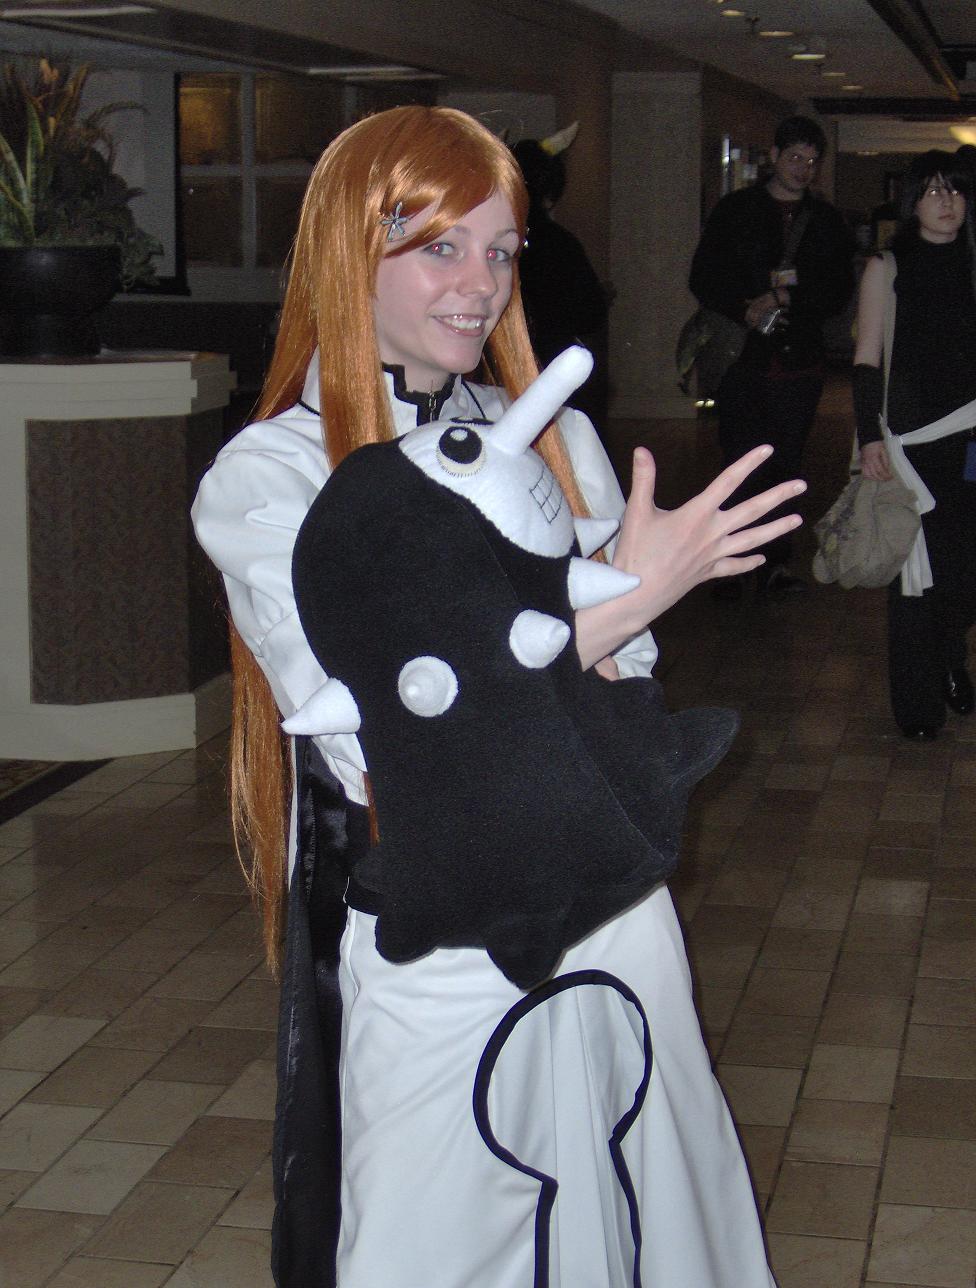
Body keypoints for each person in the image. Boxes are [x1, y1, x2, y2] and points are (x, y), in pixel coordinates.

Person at [192, 105, 802, 1287]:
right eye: (439, 247)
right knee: (445, 1231)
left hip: (608, 897)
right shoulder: (271, 476)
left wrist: (607, 624)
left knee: (649, 1191)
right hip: (432, 921)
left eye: (501, 250)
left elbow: (619, 689)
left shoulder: (553, 439)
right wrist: (626, 600)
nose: (478, 285)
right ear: (348, 252)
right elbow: (385, 723)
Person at [690, 114, 855, 599]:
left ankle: (774, 564)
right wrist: (744, 306)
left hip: (799, 360)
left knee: (787, 464)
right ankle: (729, 564)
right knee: (739, 463)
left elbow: (837, 289)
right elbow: (704, 277)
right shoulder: (736, 210)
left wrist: (786, 298)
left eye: (812, 161)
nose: (803, 168)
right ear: (776, 157)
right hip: (744, 358)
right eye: (796, 157)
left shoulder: (825, 222)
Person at [853, 149, 976, 740]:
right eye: (931, 191)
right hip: (914, 446)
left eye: (954, 189)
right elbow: (866, 358)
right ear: (912, 203)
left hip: (971, 440)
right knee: (916, 581)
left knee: (964, 572)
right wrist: (867, 437)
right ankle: (919, 702)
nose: (945, 201)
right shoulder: (888, 266)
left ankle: (951, 656)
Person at [512, 128, 610, 422]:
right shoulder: (559, 243)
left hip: (498, 369)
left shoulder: (489, 240)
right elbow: (590, 313)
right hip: (552, 368)